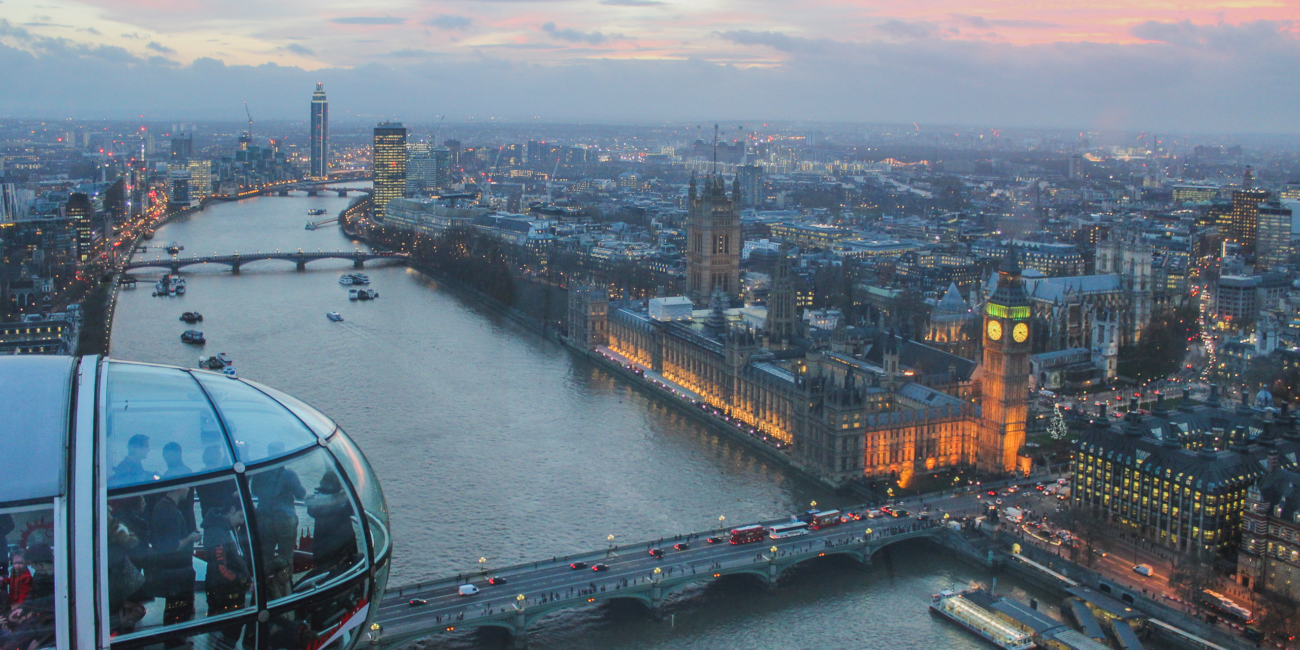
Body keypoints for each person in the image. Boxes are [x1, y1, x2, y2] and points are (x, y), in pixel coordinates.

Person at [249, 446, 304, 598]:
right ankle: (286, 591)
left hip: (264, 520)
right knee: (286, 557)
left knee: (265, 556)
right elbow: (301, 494)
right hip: (285, 521)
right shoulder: (289, 474)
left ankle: (265, 591)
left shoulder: (261, 473)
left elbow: (254, 491)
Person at [150, 487, 201, 630]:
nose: (189, 489)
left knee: (173, 607)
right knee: (177, 608)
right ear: (178, 490)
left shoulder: (162, 506)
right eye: (186, 487)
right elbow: (172, 546)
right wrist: (191, 538)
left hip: (171, 568)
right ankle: (176, 641)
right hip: (176, 569)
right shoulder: (170, 511)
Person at [202, 501, 250, 650]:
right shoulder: (218, 533)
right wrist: (241, 578)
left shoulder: (224, 528)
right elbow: (221, 570)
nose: (242, 522)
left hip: (225, 587)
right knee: (233, 628)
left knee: (230, 627)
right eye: (241, 516)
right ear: (232, 509)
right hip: (227, 589)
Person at [305, 472, 357, 578]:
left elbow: (311, 512)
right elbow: (353, 510)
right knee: (345, 570)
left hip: (322, 545)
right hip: (343, 542)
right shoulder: (344, 498)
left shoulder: (317, 500)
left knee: (323, 571)